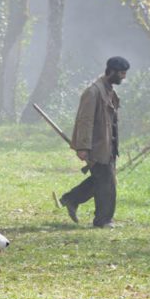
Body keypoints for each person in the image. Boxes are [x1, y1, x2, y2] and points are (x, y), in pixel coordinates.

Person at [59, 56, 130, 228]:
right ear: (111, 71)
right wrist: (83, 147)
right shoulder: (93, 92)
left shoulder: (110, 91)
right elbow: (85, 121)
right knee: (106, 183)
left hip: (108, 146)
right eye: (121, 73)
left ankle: (71, 199)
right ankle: (103, 221)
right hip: (97, 146)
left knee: (102, 179)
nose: (123, 77)